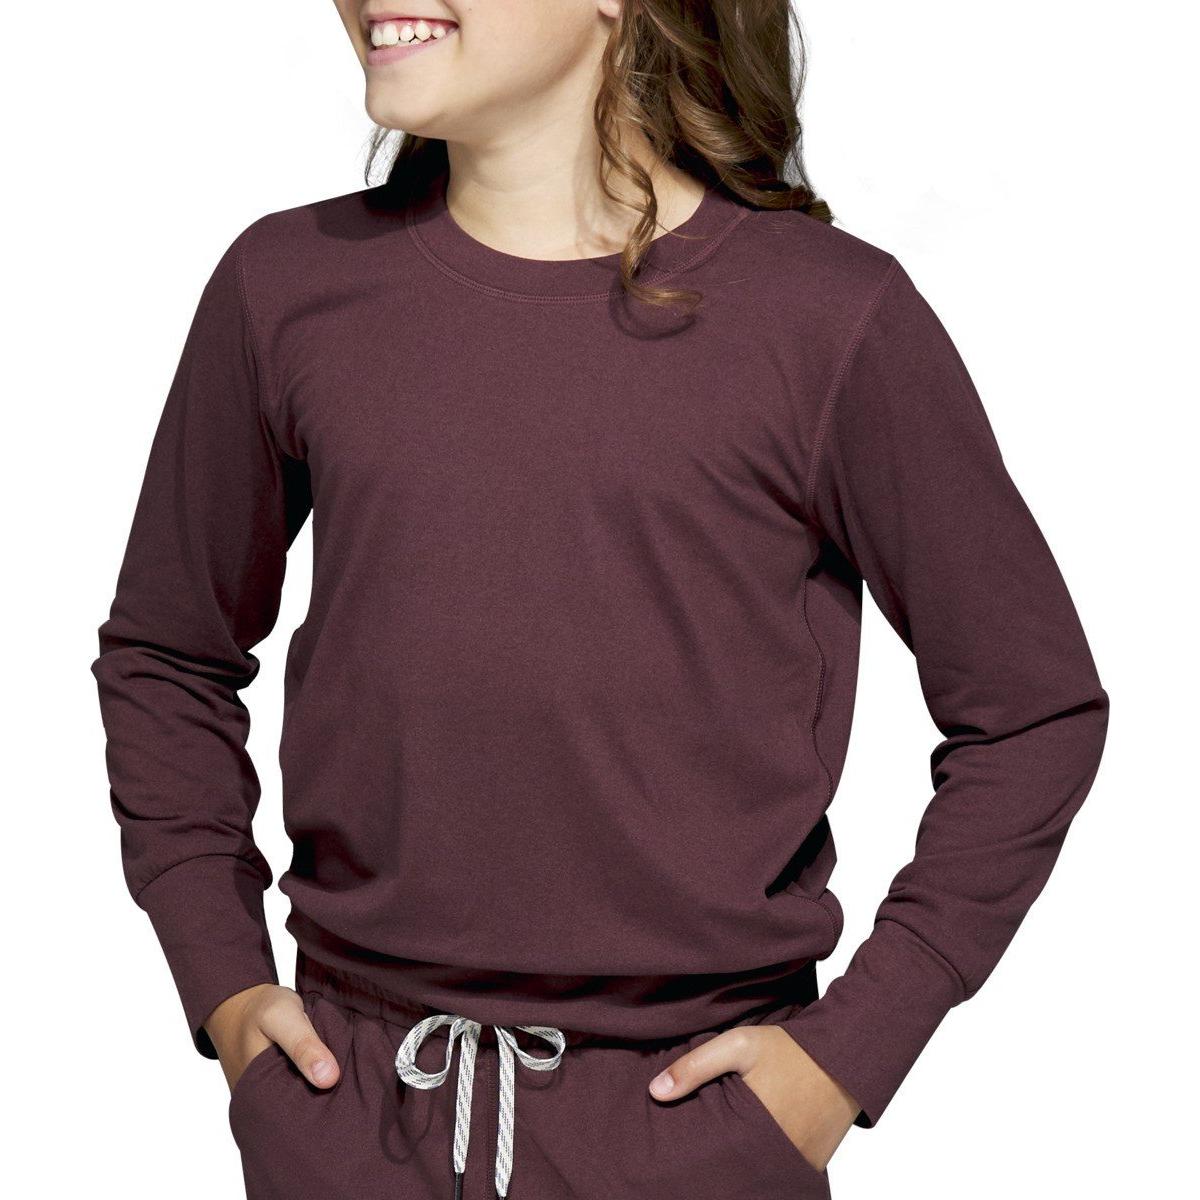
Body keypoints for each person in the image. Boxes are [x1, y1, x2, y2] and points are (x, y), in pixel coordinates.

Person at [90, 3, 1110, 1198]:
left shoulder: (827, 318)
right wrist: (223, 982)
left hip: (690, 1131)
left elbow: (1033, 711)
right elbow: (169, 655)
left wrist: (850, 1053)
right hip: (350, 1116)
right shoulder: (287, 286)